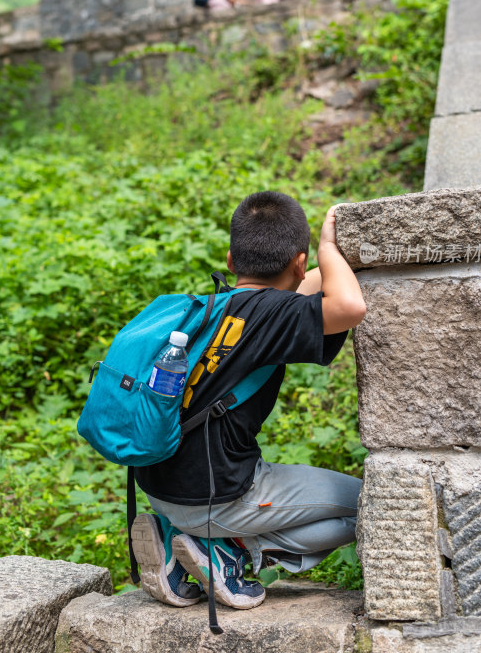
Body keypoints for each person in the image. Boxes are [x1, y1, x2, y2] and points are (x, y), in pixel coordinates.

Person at [131, 191, 366, 611]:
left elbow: (302, 287)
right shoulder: (272, 314)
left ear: (230, 261)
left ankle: (176, 544)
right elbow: (348, 305)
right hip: (217, 497)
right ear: (298, 261)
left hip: (160, 488)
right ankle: (229, 549)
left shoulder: (211, 309)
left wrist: (308, 266)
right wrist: (329, 247)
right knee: (369, 503)